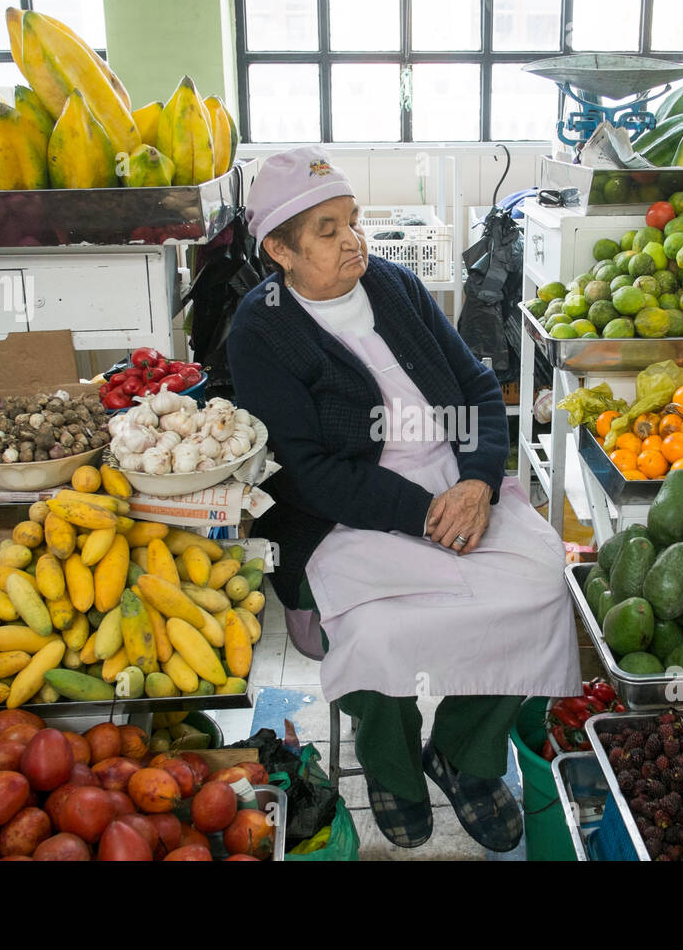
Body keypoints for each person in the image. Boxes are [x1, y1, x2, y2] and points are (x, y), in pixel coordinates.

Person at [226, 146, 580, 852]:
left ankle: (465, 755)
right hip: (344, 515)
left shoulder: (392, 284)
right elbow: (312, 470)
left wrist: (477, 483)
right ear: (279, 251)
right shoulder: (260, 329)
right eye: (326, 231)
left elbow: (478, 387)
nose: (353, 240)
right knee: (379, 635)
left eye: (352, 221)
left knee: (545, 588)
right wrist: (424, 514)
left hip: (458, 483)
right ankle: (392, 768)